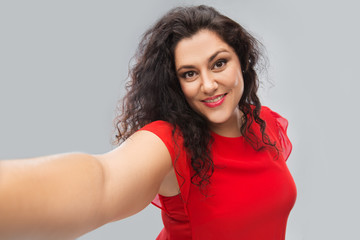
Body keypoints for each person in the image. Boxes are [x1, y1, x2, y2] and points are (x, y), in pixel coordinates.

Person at [0, 5, 297, 240]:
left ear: (242, 61)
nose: (208, 84)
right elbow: (102, 182)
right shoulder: (170, 143)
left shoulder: (265, 125)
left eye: (219, 63)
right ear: (175, 83)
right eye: (189, 74)